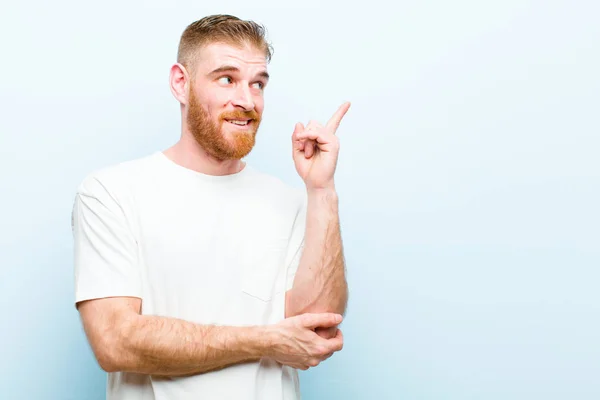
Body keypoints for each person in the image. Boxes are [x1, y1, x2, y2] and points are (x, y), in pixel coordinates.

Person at [71, 14, 349, 400]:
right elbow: (116, 342)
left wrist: (322, 191)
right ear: (180, 83)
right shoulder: (112, 193)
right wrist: (265, 341)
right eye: (226, 79)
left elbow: (316, 330)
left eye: (258, 84)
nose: (247, 101)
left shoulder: (292, 202)